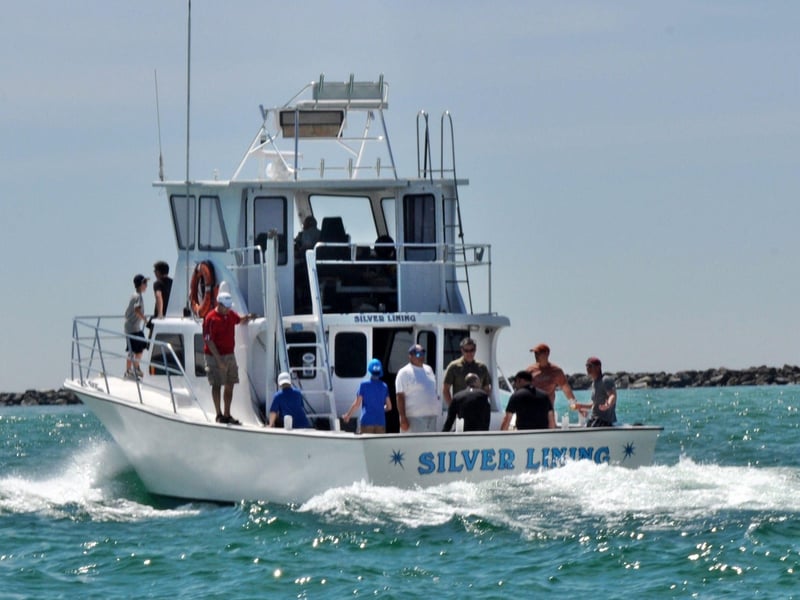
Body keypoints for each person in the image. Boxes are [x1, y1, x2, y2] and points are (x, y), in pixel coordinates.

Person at [203, 291, 255, 425]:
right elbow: (208, 341)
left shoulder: (230, 314)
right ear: (219, 305)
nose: (228, 309)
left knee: (230, 383)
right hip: (214, 356)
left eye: (229, 306)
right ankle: (218, 414)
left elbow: (239, 320)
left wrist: (248, 317)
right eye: (226, 307)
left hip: (229, 354)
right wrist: (219, 360)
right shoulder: (210, 318)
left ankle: (227, 414)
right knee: (216, 384)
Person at [395, 343, 440, 433]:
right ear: (410, 356)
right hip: (413, 419)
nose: (421, 357)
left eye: (423, 354)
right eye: (418, 354)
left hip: (431, 418)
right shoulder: (404, 372)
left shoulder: (429, 369)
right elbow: (400, 397)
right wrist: (403, 418)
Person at [342, 358, 392, 433]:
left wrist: (348, 415)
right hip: (380, 422)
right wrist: (381, 409)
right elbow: (389, 407)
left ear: (370, 370)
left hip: (366, 421)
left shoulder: (364, 385)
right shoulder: (384, 386)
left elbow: (357, 404)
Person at [442, 337, 491, 406]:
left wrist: (482, 405)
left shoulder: (482, 367)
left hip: (477, 408)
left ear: (475, 350)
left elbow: (486, 389)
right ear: (462, 350)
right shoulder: (454, 367)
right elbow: (446, 389)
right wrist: (452, 407)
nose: (469, 353)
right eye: (466, 350)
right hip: (460, 407)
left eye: (472, 350)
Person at [526, 343, 578, 408]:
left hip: (547, 410)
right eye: (535, 353)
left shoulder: (556, 371)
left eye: (538, 353)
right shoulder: (530, 370)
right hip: (531, 409)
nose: (536, 355)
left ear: (547, 354)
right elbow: (521, 388)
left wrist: (574, 404)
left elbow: (565, 388)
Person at [124, 274, 149, 379]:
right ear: (140, 284)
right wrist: (145, 320)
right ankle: (128, 370)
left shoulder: (138, 295)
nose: (146, 285)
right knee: (132, 350)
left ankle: (136, 368)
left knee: (141, 346)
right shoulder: (137, 296)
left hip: (135, 327)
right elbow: (137, 309)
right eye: (145, 283)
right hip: (132, 328)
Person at [584, 356, 617, 427]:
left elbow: (612, 395)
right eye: (586, 366)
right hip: (594, 419)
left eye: (590, 366)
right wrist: (579, 406)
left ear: (598, 367)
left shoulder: (605, 380)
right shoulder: (594, 383)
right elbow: (594, 404)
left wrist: (608, 404)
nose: (587, 368)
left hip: (604, 421)